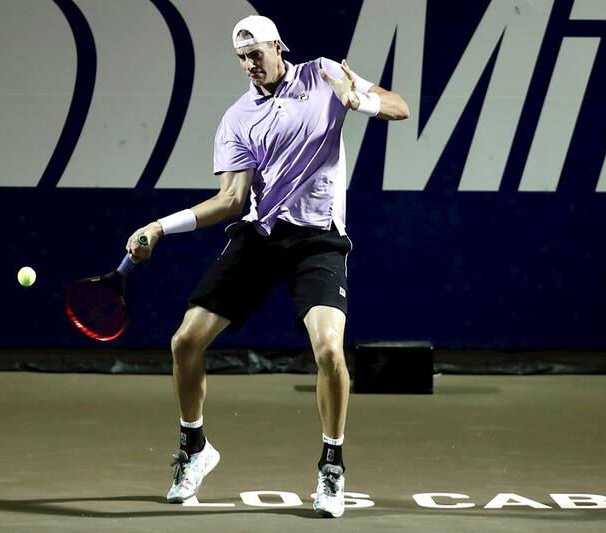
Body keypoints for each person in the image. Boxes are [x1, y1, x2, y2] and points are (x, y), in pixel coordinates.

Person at [125, 14, 409, 518]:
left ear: (279, 47)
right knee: (185, 341)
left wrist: (357, 100)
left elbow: (400, 107)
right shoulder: (237, 119)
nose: (250, 64)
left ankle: (332, 465)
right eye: (242, 58)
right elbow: (230, 200)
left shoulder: (324, 73)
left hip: (318, 239)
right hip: (260, 237)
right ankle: (194, 448)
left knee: (329, 349)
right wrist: (160, 227)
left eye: (256, 53)